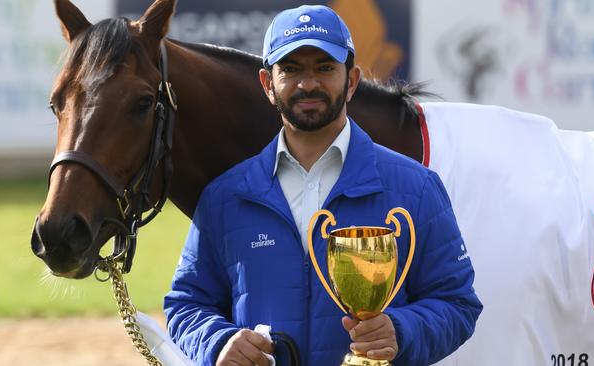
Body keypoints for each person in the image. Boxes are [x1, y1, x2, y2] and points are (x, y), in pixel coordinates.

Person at [164, 5, 482, 365]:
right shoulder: (225, 196)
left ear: (352, 82)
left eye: (325, 67)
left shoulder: (417, 187)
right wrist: (217, 342)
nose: (308, 83)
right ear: (268, 85)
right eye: (291, 69)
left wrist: (402, 330)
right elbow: (187, 304)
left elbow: (457, 302)